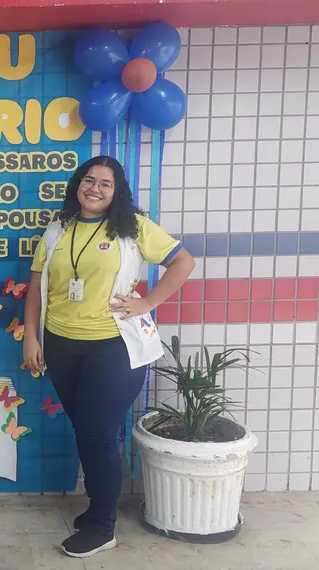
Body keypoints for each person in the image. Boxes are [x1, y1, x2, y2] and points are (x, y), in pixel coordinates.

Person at [23, 155, 195, 558]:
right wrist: (31, 338)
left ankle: (102, 526)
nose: (95, 188)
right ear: (77, 186)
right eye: (88, 180)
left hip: (113, 346)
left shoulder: (131, 227)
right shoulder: (56, 230)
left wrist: (147, 302)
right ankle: (96, 507)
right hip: (61, 344)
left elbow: (182, 262)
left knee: (97, 434)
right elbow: (35, 289)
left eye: (105, 183)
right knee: (86, 430)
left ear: (117, 191)